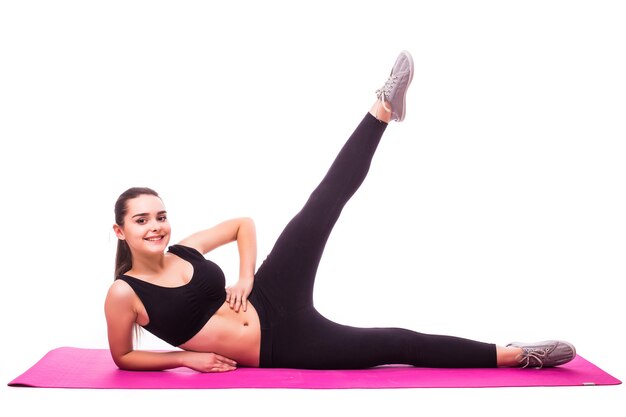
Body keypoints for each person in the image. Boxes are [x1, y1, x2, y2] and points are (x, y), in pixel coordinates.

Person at [105, 51, 576, 373]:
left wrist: (246, 276)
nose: (156, 226)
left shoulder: (186, 250)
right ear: (120, 230)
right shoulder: (124, 293)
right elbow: (123, 355)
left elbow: (242, 225)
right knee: (398, 341)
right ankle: (518, 355)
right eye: (142, 220)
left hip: (269, 294)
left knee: (321, 204)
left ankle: (383, 105)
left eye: (160, 215)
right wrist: (186, 359)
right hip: (281, 347)